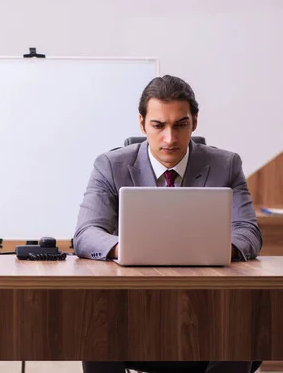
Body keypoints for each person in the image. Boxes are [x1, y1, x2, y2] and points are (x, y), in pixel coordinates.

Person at [73, 75, 263, 373]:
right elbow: (86, 234)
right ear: (142, 124)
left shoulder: (226, 165)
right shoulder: (110, 165)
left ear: (195, 122)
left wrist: (218, 249)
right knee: (95, 322)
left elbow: (248, 232)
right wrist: (128, 248)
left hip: (208, 303)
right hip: (132, 305)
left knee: (240, 326)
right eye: (158, 126)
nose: (170, 139)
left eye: (180, 125)